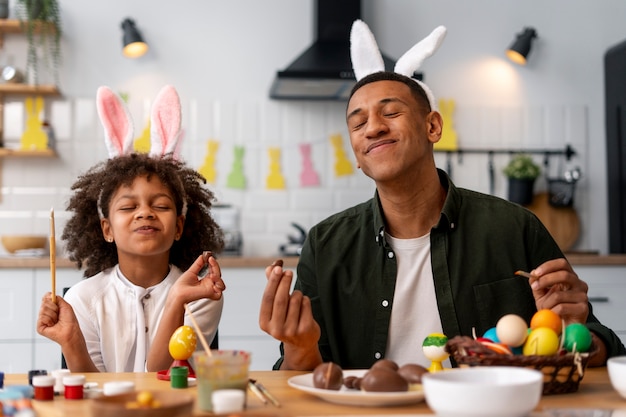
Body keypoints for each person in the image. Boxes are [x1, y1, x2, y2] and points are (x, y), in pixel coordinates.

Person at [259, 21, 626, 371]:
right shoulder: (324, 247)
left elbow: (599, 343)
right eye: (357, 123)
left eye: (391, 112)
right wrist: (299, 346)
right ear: (356, 153)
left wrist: (575, 332)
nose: (372, 127)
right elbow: (299, 373)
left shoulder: (514, 228)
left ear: (432, 126)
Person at [37, 85, 226, 373]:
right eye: (128, 207)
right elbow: (92, 391)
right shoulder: (82, 298)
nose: (145, 213)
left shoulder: (198, 295)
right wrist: (71, 342)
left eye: (160, 206)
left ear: (178, 227)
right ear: (107, 229)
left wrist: (176, 298)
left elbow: (165, 378)